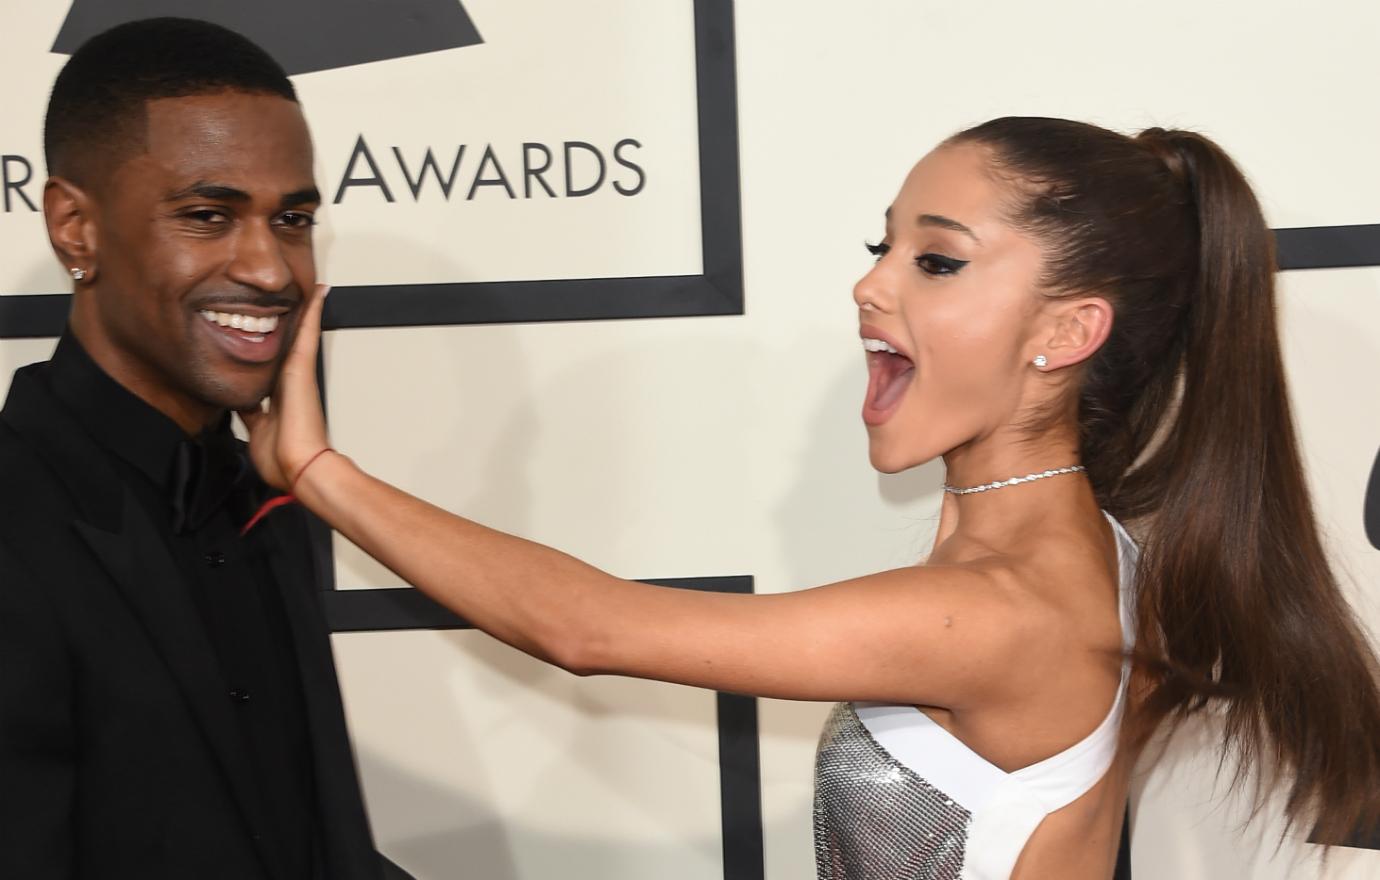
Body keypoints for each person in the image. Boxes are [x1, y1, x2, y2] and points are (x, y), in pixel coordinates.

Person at [244, 117, 1380, 878]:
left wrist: (318, 473)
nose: (869, 283)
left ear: (1069, 331)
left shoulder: (1001, 610)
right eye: (880, 244)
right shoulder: (1105, 556)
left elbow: (586, 628)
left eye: (936, 261)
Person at [0, 18, 390, 880]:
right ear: (76, 228)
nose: (271, 269)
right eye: (209, 216)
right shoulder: (15, 520)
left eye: (292, 218)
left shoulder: (265, 495)